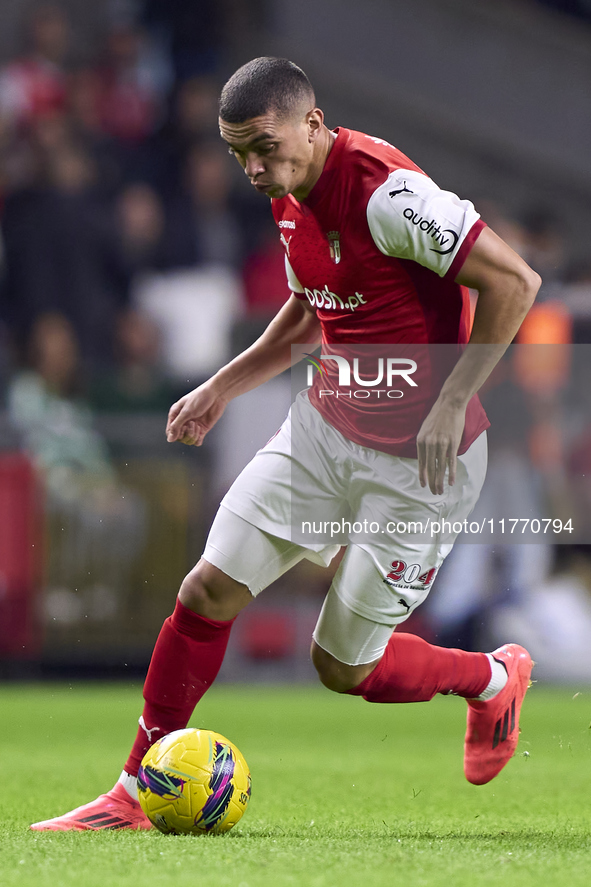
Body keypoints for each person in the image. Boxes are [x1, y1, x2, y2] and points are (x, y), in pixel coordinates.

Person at [31, 57, 540, 832]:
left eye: (263, 147)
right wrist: (220, 386)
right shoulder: (289, 189)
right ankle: (136, 789)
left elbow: (514, 282)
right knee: (206, 589)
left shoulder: (388, 195)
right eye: (239, 154)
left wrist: (453, 396)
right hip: (326, 430)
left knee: (342, 665)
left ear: (311, 122)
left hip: (421, 462)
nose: (252, 169)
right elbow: (312, 309)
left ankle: (489, 677)